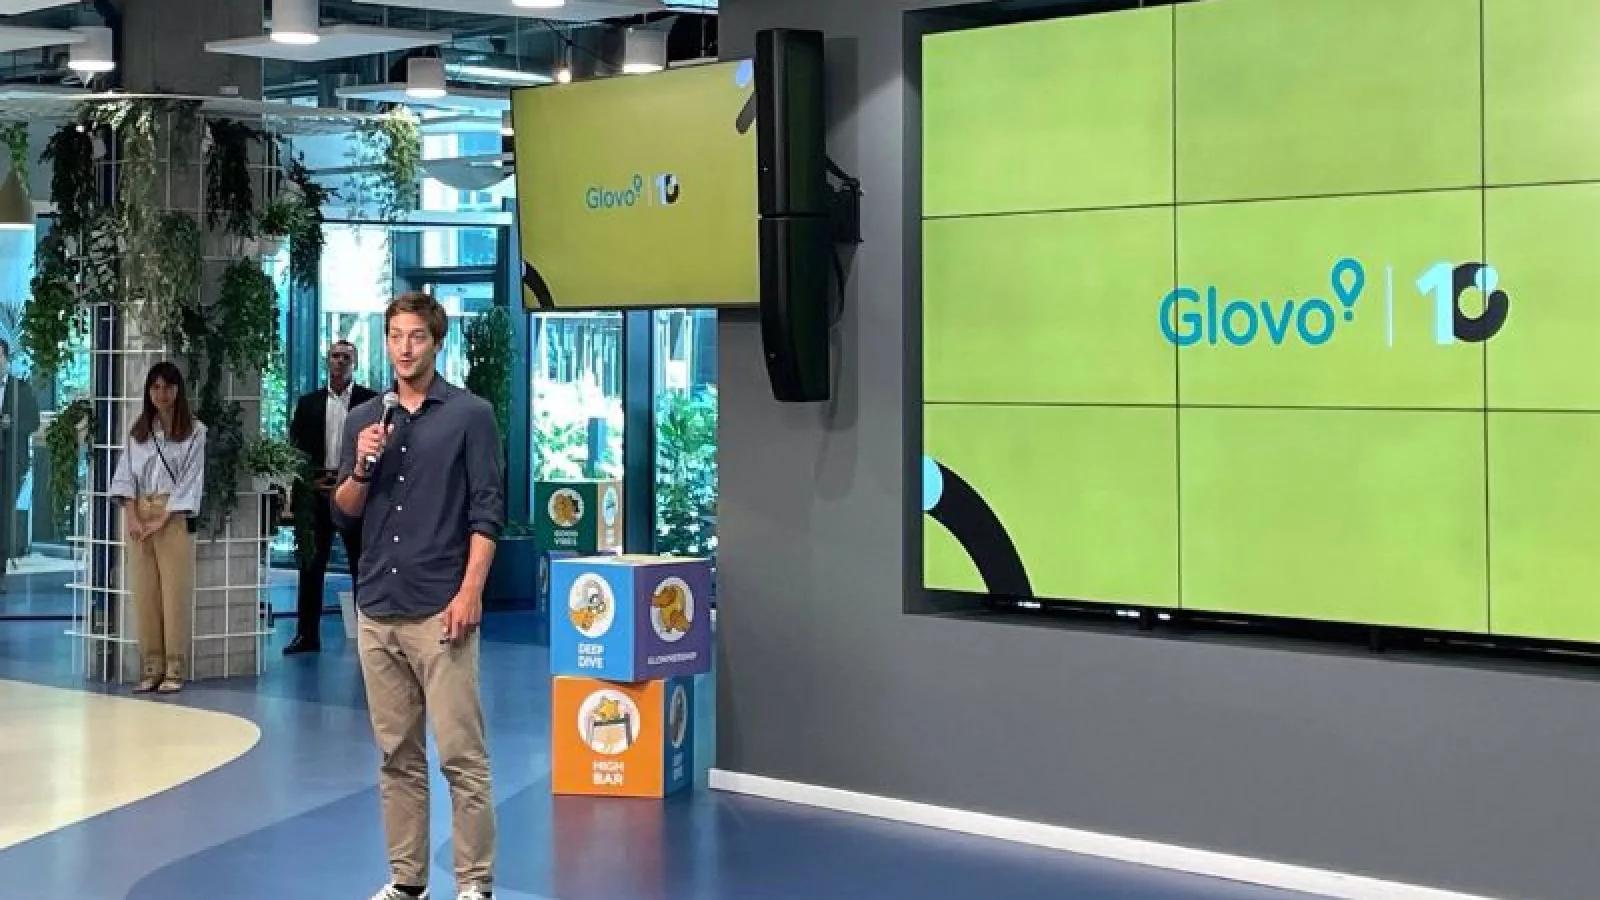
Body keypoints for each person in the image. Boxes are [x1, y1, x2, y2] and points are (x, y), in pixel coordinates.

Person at [333, 291, 504, 900]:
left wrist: (471, 591)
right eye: (395, 336)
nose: (404, 348)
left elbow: (487, 512)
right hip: (378, 606)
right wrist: (361, 467)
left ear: (436, 343)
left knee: (461, 756)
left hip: (440, 608)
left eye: (416, 337)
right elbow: (344, 512)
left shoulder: (470, 415)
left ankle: (475, 885)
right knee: (396, 757)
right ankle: (408, 882)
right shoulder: (365, 419)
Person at [109, 361, 206, 694]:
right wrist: (132, 515)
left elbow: (192, 479)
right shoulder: (138, 431)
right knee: (144, 592)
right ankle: (151, 667)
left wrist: (162, 517)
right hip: (139, 509)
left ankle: (175, 667)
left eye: (167, 387)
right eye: (155, 387)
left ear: (178, 390)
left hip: (173, 514)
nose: (161, 394)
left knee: (175, 593)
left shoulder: (195, 431)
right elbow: (125, 475)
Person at [285, 340, 375, 653]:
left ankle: (370, 636)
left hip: (354, 490)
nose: (339, 362)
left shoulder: (370, 403)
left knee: (361, 565)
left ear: (355, 363)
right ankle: (306, 635)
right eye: (335, 356)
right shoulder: (308, 403)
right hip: (316, 492)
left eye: (346, 357)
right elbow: (295, 449)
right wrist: (307, 484)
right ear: (327, 361)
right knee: (311, 565)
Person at [0, 339, 39, 592]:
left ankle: (0, 570)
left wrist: (11, 423)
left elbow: (33, 421)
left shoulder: (20, 388)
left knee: (4, 515)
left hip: (10, 460)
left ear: (6, 359)